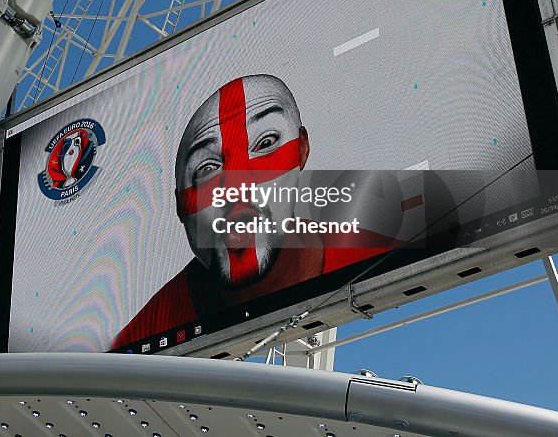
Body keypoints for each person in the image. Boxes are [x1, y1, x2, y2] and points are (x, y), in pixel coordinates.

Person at [113, 74, 396, 349]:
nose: (236, 188)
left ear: (302, 149)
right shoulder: (134, 342)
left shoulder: (383, 255)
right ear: (179, 205)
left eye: (265, 144)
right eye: (207, 168)